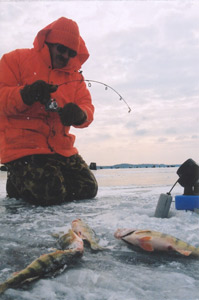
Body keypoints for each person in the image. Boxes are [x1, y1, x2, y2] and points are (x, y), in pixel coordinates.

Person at [0, 17, 98, 205]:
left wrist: (80, 114)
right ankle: (20, 180)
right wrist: (25, 95)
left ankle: (31, 182)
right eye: (61, 49)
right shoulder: (15, 60)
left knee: (88, 188)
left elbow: (87, 107)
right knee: (50, 193)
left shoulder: (76, 78)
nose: (66, 56)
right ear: (48, 43)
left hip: (61, 148)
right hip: (23, 147)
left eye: (71, 52)